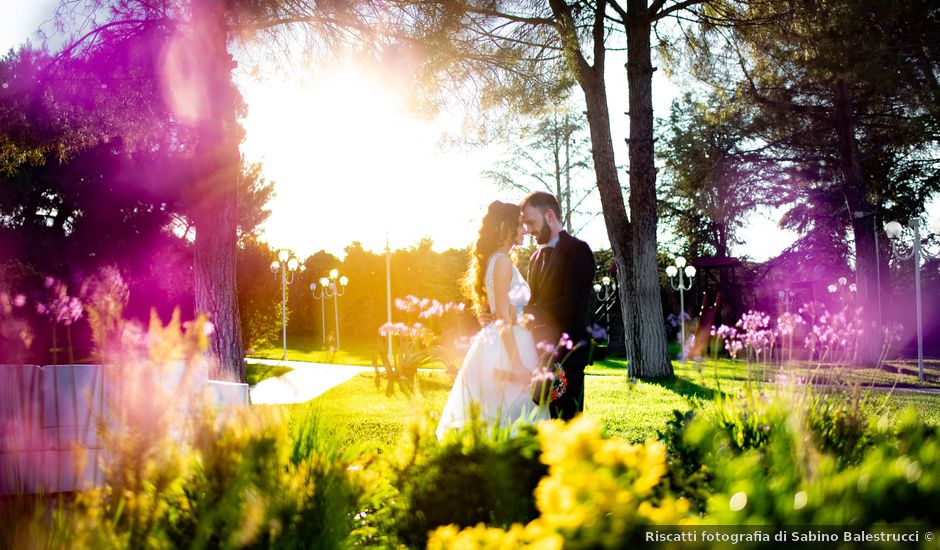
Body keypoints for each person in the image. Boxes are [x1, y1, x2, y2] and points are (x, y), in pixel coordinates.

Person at [436, 201, 550, 440]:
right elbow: (501, 316)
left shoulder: (498, 260)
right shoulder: (501, 262)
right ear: (504, 226)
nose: (524, 230)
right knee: (511, 414)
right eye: (519, 225)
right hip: (507, 347)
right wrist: (517, 363)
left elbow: (495, 309)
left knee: (508, 414)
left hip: (505, 340)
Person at [520, 191, 595, 420]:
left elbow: (573, 303)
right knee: (542, 422)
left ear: (549, 215)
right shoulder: (534, 258)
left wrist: (529, 312)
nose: (528, 230)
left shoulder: (578, 250)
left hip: (567, 354)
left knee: (566, 422)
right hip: (539, 353)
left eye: (531, 222)